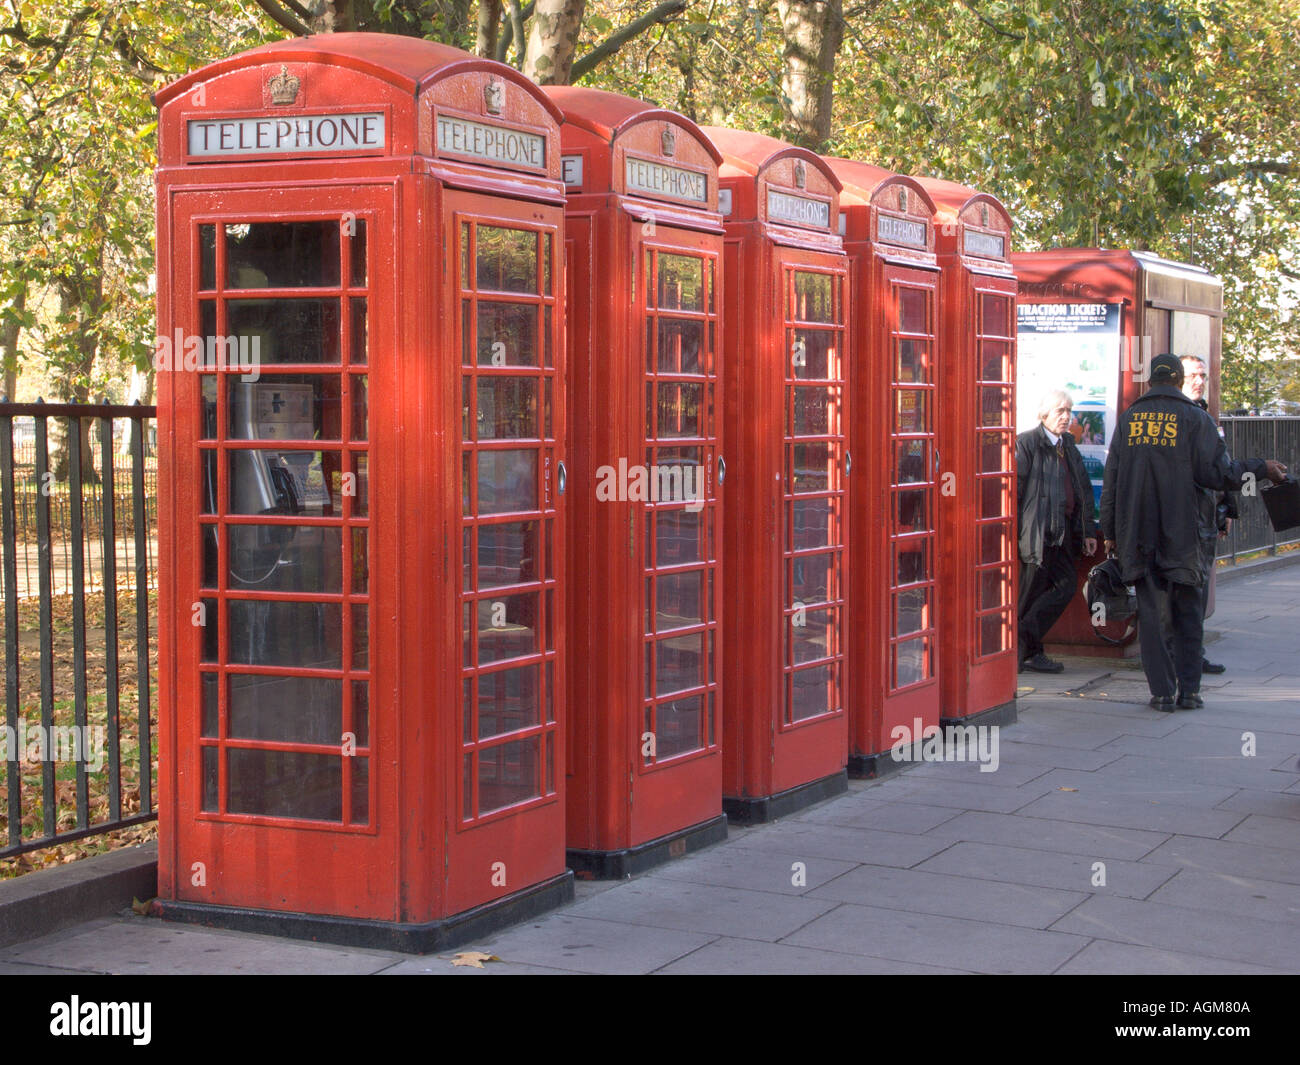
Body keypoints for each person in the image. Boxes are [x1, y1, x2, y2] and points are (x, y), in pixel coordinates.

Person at [1100, 353, 1288, 711]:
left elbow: (1112, 479)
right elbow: (1219, 475)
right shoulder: (1195, 419)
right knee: (1188, 613)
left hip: (1138, 534)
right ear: (1178, 380)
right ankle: (1190, 691)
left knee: (1153, 617)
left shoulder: (1129, 420)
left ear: (1151, 381)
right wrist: (1261, 468)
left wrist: (1109, 530)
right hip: (1186, 535)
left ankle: (1161, 693)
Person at [1016, 390, 1098, 673]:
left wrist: (1088, 530)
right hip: (1037, 532)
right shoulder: (1027, 443)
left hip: (1064, 531)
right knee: (1028, 595)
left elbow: (1083, 491)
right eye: (1060, 411)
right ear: (1044, 414)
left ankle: (1021, 643)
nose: (1066, 416)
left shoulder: (1069, 446)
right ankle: (1028, 650)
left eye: (1069, 411)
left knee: (1065, 588)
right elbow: (1015, 491)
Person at [1180, 354, 1231, 675]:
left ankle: (1193, 655)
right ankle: (1181, 659)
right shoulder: (1182, 416)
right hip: (1184, 520)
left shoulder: (1206, 415)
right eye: (1192, 376)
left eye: (1203, 375)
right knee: (1185, 593)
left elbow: (1222, 466)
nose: (1199, 381)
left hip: (1207, 517)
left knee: (1198, 592)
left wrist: (1227, 510)